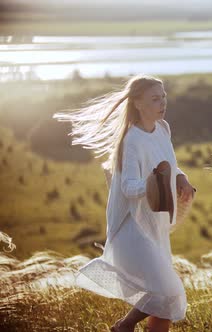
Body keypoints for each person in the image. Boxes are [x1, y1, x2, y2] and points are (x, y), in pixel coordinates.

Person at [54, 75, 195, 332]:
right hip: (134, 227)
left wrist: (182, 179)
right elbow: (129, 187)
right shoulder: (131, 140)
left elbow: (169, 165)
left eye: (163, 96)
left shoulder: (163, 128)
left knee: (163, 299)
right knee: (167, 290)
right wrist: (153, 184)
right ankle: (124, 326)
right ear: (138, 103)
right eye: (155, 98)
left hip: (156, 224)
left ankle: (122, 328)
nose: (162, 102)